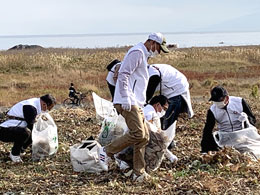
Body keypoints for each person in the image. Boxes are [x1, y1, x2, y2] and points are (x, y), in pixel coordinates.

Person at [104, 32, 169, 182]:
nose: (158, 52)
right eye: (158, 48)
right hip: (128, 100)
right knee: (139, 134)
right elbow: (124, 74)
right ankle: (107, 151)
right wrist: (126, 97)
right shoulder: (137, 52)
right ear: (152, 42)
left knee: (144, 137)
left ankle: (138, 173)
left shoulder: (143, 55)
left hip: (136, 101)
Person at [0, 94, 56, 162]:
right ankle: (15, 154)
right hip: (4, 130)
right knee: (26, 133)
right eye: (48, 108)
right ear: (44, 104)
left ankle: (21, 150)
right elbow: (32, 127)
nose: (48, 110)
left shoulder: (36, 104)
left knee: (31, 132)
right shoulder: (30, 107)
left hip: (15, 127)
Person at [201, 86, 256, 154]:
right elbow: (207, 129)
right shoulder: (212, 110)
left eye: (219, 100)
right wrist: (204, 149)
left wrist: (247, 119)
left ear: (226, 98)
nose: (217, 103)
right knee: (211, 141)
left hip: (241, 134)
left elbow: (252, 118)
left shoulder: (239, 102)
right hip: (225, 136)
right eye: (215, 101)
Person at [146, 64, 194, 130]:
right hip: (172, 87)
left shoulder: (152, 73)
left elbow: (150, 88)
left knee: (167, 119)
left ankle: (165, 138)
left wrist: (145, 101)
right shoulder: (150, 70)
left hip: (177, 89)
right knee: (162, 118)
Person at [143, 95, 178, 163]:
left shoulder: (144, 109)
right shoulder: (151, 114)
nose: (164, 111)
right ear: (157, 104)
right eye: (164, 108)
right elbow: (153, 135)